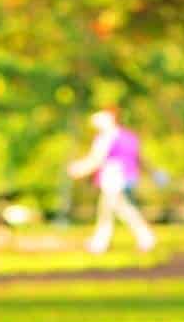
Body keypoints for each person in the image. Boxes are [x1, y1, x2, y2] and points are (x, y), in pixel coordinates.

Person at [67, 107, 157, 254]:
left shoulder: (108, 137)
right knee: (121, 208)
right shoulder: (128, 136)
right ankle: (145, 237)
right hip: (125, 176)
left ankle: (100, 242)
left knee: (108, 209)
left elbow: (97, 159)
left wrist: (79, 169)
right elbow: (138, 158)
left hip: (114, 177)